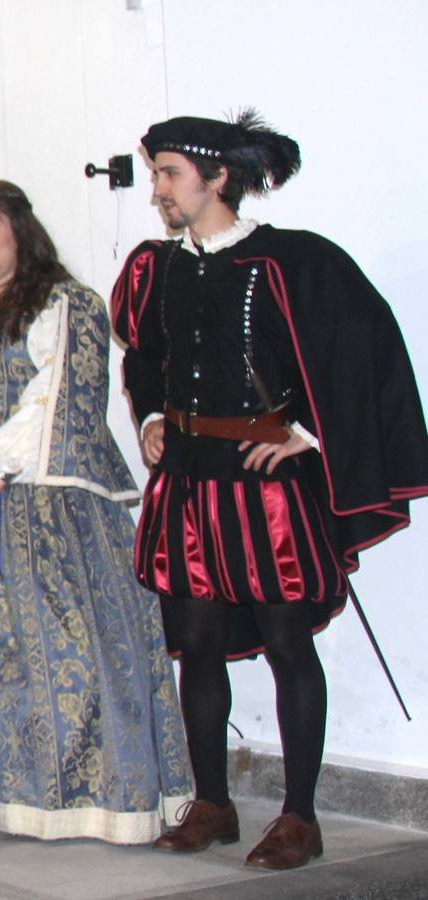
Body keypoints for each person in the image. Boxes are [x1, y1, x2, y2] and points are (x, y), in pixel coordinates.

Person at [114, 112, 428, 869]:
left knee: (289, 644)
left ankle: (299, 817)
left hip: (266, 491)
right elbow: (145, 358)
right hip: (188, 481)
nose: (157, 189)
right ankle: (214, 804)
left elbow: (364, 349)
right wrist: (154, 413)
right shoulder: (155, 268)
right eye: (155, 174)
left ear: (217, 178)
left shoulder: (293, 261)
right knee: (196, 646)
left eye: (169, 175)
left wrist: (310, 437)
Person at [0, 180, 193, 844]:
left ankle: (89, 798)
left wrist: (1, 469)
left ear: (20, 231)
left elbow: (58, 393)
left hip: (45, 496)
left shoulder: (68, 304)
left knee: (69, 647)